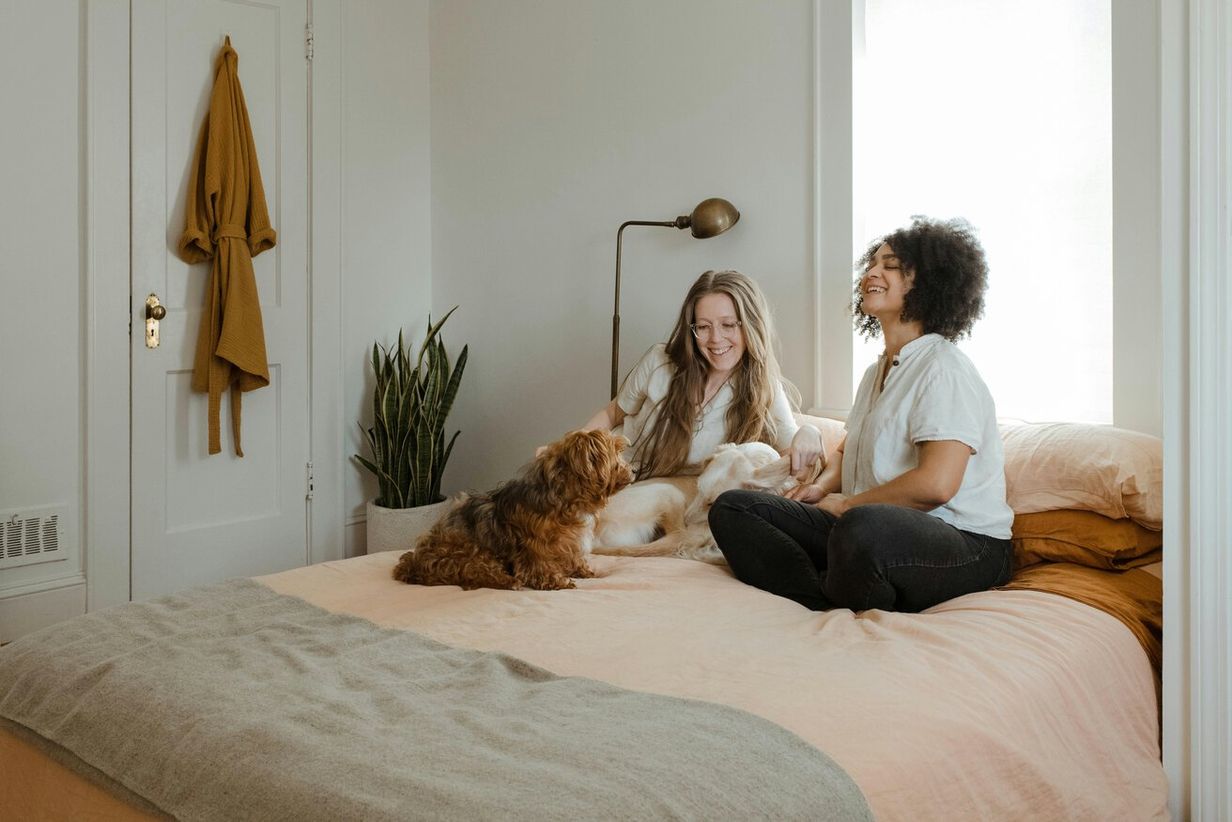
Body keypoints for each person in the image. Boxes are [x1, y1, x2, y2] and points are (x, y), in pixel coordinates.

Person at [709, 217, 1013, 613]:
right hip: (867, 528)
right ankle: (826, 595)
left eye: (889, 265)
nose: (871, 272)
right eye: (872, 263)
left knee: (860, 528)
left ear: (928, 282)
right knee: (734, 508)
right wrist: (821, 488)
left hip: (965, 544)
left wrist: (848, 505)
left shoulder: (943, 368)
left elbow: (937, 484)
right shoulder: (877, 372)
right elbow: (847, 448)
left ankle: (843, 583)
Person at [568, 269, 822, 480]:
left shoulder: (763, 387)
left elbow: (793, 452)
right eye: (703, 326)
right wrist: (571, 451)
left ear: (751, 325)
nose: (715, 339)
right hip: (616, 478)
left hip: (675, 499)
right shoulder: (659, 361)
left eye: (728, 325)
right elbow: (612, 414)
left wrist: (810, 431)